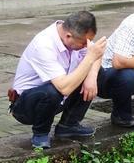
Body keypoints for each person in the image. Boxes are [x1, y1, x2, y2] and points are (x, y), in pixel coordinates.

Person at [9, 11, 107, 149]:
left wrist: (91, 77)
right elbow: (64, 88)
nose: (87, 47)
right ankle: (40, 134)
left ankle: (68, 125)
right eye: (84, 44)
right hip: (26, 106)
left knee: (96, 73)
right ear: (68, 36)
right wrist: (90, 58)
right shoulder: (44, 44)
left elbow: (96, 54)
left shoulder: (76, 36)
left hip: (57, 99)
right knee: (52, 91)